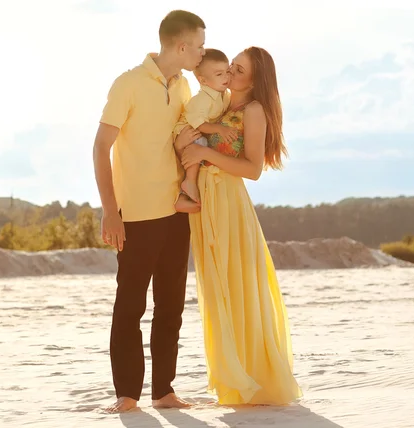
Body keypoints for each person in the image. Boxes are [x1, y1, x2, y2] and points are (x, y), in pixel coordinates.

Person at [92, 10, 206, 413]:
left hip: (176, 212)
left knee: (171, 305)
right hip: (136, 215)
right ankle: (127, 394)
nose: (202, 52)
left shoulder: (186, 87)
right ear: (180, 45)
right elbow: (100, 146)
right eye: (199, 45)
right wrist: (110, 211)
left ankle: (163, 390)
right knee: (130, 305)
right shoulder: (129, 83)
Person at [176, 46, 303, 405]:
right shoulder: (218, 103)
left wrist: (204, 154)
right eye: (232, 65)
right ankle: (231, 378)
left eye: (240, 69)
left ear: (255, 78)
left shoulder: (254, 110)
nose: (231, 71)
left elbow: (253, 169)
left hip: (230, 202)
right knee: (218, 290)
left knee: (238, 286)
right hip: (207, 201)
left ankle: (253, 377)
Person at [173, 48, 236, 211]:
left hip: (199, 131)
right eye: (219, 74)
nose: (226, 77)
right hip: (186, 130)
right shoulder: (201, 99)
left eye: (227, 71)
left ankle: (187, 192)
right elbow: (199, 124)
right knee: (199, 144)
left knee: (202, 146)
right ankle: (189, 183)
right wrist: (219, 130)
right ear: (203, 81)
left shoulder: (224, 95)